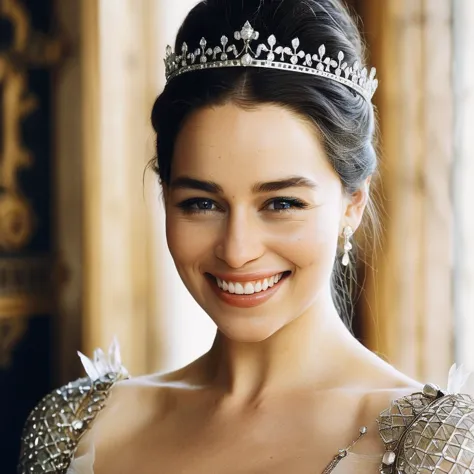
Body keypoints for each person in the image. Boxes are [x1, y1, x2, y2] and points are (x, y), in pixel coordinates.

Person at [18, 0, 474, 473]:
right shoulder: (77, 428)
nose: (237, 251)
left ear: (351, 205)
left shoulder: (434, 450)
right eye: (202, 203)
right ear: (166, 195)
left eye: (281, 204)